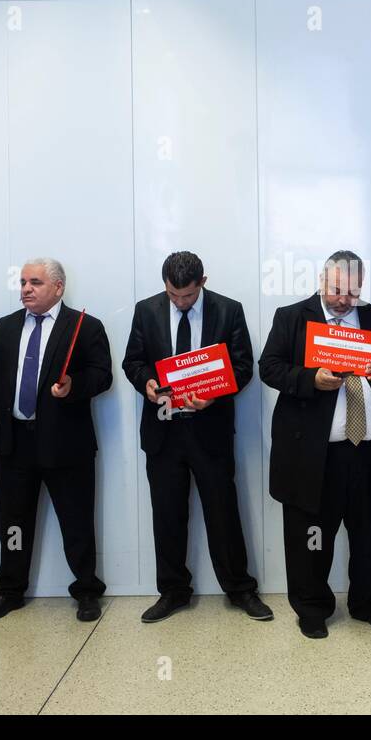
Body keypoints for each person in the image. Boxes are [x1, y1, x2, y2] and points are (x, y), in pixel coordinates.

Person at [259, 251, 371, 639]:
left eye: (353, 291)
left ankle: (367, 603)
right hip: (315, 455)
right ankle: (311, 608)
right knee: (310, 536)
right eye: (337, 290)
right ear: (321, 280)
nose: (345, 300)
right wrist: (309, 379)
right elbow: (269, 367)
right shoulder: (292, 317)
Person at [121, 251, 271, 623]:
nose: (180, 302)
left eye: (187, 296)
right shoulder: (146, 310)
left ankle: (240, 589)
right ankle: (172, 592)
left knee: (223, 513)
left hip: (210, 428)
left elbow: (243, 367)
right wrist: (147, 384)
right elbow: (132, 362)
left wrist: (215, 395)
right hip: (163, 429)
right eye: (173, 295)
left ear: (202, 282)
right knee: (167, 516)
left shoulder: (228, 310)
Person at [0, 258, 111, 623]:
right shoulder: (5, 328)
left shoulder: (85, 326)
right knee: (14, 523)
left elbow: (102, 375)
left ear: (58, 288)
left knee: (76, 521)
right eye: (23, 282)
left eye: (35, 282)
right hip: (15, 441)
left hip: (66, 443)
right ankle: (10, 590)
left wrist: (73, 385)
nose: (26, 289)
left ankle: (86, 590)